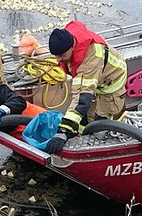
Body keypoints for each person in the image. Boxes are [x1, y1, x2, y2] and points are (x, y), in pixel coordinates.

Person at [46, 21, 128, 154]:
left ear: (72, 47)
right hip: (96, 78)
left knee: (100, 125)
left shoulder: (89, 60)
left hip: (111, 83)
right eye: (55, 55)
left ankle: (102, 148)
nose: (58, 60)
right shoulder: (68, 37)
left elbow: (82, 98)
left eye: (61, 55)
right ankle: (82, 133)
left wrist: (63, 132)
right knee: (84, 119)